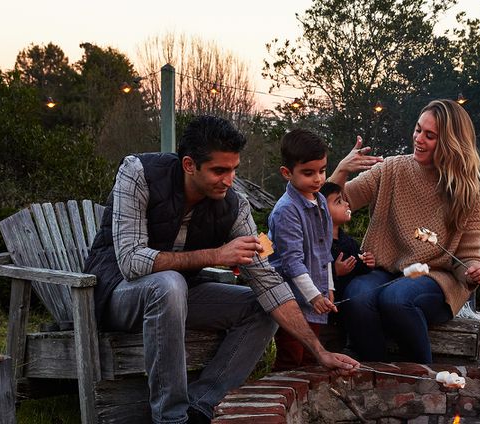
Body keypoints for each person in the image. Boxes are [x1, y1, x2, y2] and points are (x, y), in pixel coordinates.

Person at [83, 116, 359, 424]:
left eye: (233, 170)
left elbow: (269, 281)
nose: (229, 180)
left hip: (181, 295)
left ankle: (201, 407)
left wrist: (318, 350)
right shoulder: (138, 174)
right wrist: (216, 254)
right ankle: (170, 418)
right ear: (189, 165)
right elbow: (132, 261)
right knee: (169, 284)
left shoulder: (235, 206)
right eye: (219, 170)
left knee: (259, 307)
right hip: (117, 296)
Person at [327, 99, 480, 364]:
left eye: (430, 136)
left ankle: (423, 379)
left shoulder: (469, 192)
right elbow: (333, 203)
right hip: (383, 271)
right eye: (418, 130)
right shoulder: (392, 169)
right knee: (357, 296)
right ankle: (378, 376)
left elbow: (468, 257)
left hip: (436, 277)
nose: (418, 139)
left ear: (451, 143)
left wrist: (474, 271)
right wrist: (341, 170)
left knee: (395, 299)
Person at [267, 129, 336, 371]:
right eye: (308, 173)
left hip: (316, 293)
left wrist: (328, 288)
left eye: (322, 170)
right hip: (292, 298)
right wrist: (314, 295)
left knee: (310, 358)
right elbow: (291, 262)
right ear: (287, 173)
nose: (318, 179)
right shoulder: (286, 211)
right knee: (291, 357)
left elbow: (325, 252)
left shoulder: (320, 202)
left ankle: (308, 404)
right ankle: (277, 401)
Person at [318, 182, 375, 297]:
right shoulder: (318, 244)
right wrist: (336, 271)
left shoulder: (348, 241)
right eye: (339, 202)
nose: (347, 204)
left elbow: (359, 267)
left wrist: (367, 262)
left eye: (343, 200)